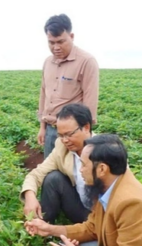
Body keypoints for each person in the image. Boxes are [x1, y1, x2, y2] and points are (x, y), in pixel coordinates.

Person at [37, 14, 99, 158]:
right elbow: (44, 95)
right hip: (51, 130)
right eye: (51, 42)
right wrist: (42, 127)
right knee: (50, 174)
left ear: (71, 36)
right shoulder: (47, 62)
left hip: (73, 134)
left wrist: (84, 137)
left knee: (75, 175)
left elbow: (90, 103)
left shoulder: (86, 61)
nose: (56, 47)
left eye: (60, 41)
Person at [21, 103, 93, 225]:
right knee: (53, 178)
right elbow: (36, 174)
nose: (65, 140)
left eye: (69, 134)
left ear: (86, 127)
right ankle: (43, 226)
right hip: (80, 208)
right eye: (61, 135)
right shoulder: (62, 148)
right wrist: (29, 195)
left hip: (103, 216)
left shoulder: (105, 151)